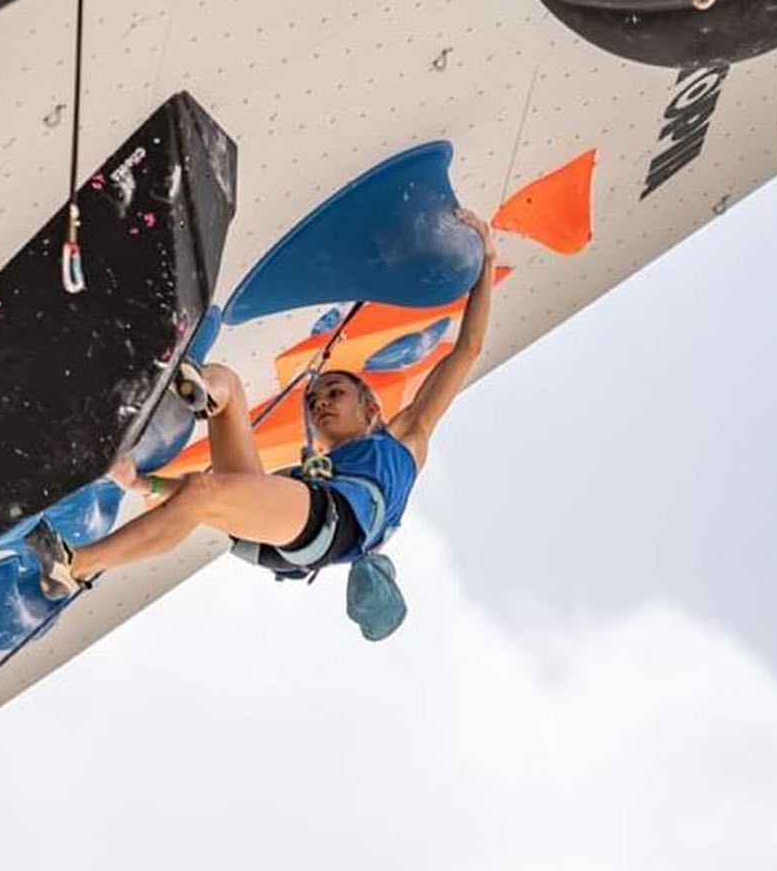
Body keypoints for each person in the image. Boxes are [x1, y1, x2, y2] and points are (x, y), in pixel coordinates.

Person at [24, 208, 496, 599]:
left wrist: (488, 260)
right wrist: (142, 483)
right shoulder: (323, 468)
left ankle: (78, 565)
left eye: (335, 393)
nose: (321, 403)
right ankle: (202, 390)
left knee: (205, 491)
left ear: (371, 407)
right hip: (292, 521)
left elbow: (467, 350)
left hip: (326, 525)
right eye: (314, 399)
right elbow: (228, 501)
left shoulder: (406, 438)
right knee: (226, 393)